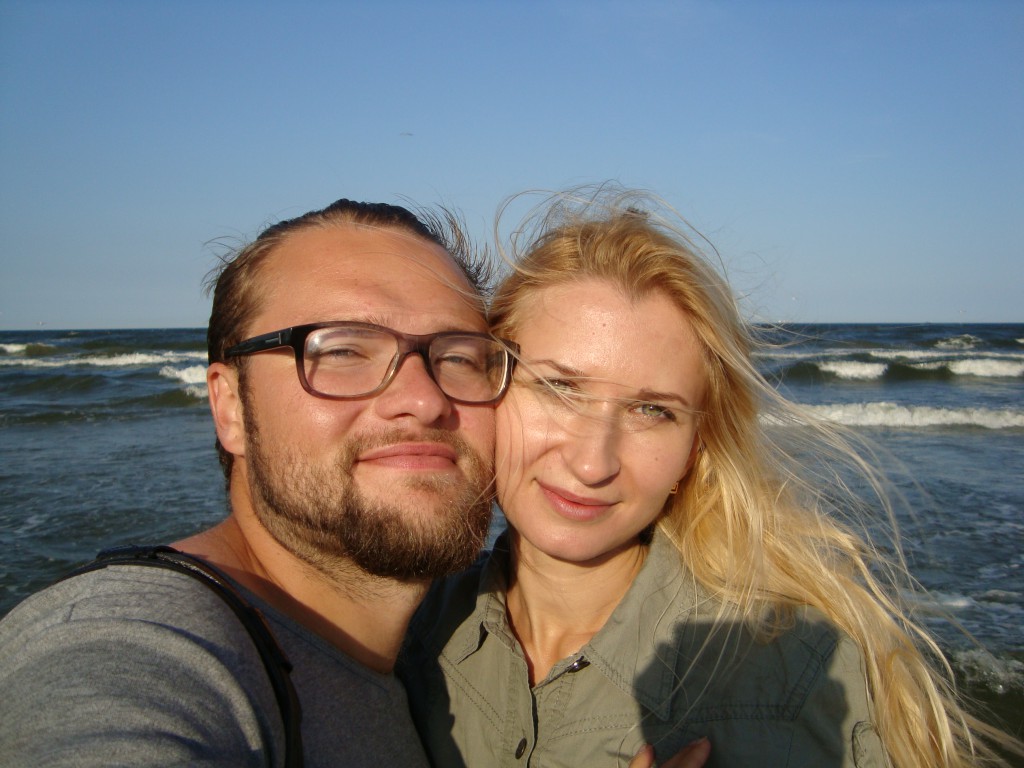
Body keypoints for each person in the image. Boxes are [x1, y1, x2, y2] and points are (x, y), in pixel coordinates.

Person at [400, 187, 1022, 767]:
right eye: (561, 388)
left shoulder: (787, 682)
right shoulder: (404, 631)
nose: (592, 463)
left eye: (653, 410)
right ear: (488, 380)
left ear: (695, 450)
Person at [0, 199, 511, 767]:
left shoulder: (455, 641)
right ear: (230, 407)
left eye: (460, 357)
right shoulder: (134, 643)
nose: (423, 399)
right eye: (342, 350)